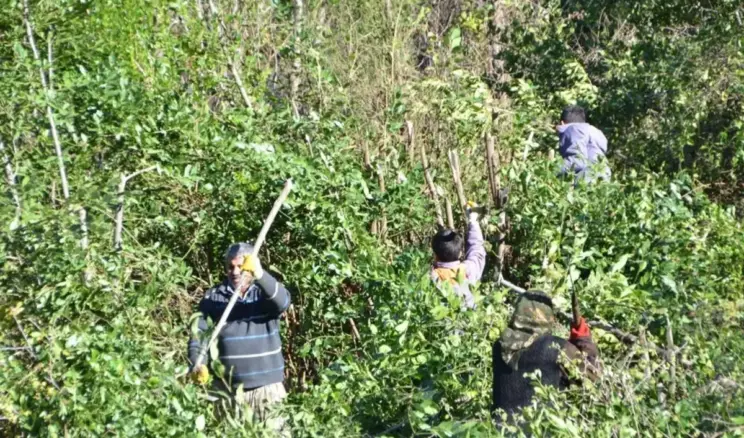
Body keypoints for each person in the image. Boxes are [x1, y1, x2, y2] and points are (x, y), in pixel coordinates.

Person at [188, 242, 291, 435]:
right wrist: (197, 363)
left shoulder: (264, 294)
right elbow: (199, 336)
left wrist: (260, 273)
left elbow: (283, 301)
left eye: (240, 266)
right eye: (230, 266)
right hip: (227, 394)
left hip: (267, 392)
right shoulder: (213, 298)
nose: (235, 272)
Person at [492, 290, 599, 416]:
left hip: (500, 429)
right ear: (549, 318)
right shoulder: (556, 346)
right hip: (541, 430)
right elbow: (593, 376)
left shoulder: (499, 346)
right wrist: (583, 339)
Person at [430, 205, 486, 309]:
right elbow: (477, 251)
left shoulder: (432, 276)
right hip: (470, 321)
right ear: (460, 253)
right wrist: (473, 221)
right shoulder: (468, 270)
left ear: (435, 254)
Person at [556, 105, 611, 184]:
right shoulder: (594, 131)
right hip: (603, 175)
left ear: (562, 122)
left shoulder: (572, 129)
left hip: (588, 178)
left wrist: (552, 169)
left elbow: (578, 161)